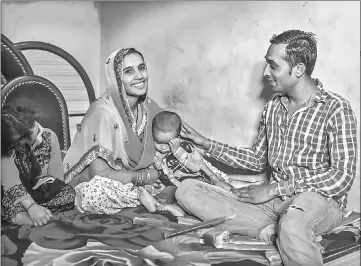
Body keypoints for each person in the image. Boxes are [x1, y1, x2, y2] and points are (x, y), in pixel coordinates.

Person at [175, 29, 357, 266]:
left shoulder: (336, 109)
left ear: (299, 69)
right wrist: (207, 144)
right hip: (275, 202)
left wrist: (275, 188)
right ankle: (269, 231)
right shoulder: (273, 106)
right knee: (187, 190)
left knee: (292, 224)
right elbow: (257, 159)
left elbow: (342, 177)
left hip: (316, 201)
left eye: (273, 65)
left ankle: (286, 229)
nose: (265, 72)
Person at [62, 48, 181, 216]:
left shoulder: (148, 107)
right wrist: (144, 177)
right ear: (116, 78)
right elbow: (100, 174)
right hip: (97, 183)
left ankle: (145, 195)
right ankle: (151, 200)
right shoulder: (102, 112)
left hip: (131, 182)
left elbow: (178, 134)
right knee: (93, 194)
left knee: (182, 171)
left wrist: (205, 151)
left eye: (141, 68)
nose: (139, 76)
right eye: (128, 71)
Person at [1, 105, 75, 227]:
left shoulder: (49, 136)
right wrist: (31, 206)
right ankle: (17, 216)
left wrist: (48, 187)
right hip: (11, 191)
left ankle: (28, 212)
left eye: (39, 130)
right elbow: (11, 183)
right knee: (8, 193)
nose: (41, 137)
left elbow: (57, 179)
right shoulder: (8, 147)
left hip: (34, 191)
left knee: (68, 193)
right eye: (36, 137)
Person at [152, 110, 262, 190]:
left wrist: (177, 152)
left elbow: (197, 165)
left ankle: (251, 186)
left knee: (228, 181)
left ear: (178, 138)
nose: (163, 147)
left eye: (169, 143)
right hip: (188, 186)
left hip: (206, 175)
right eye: (158, 142)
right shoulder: (156, 155)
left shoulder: (185, 147)